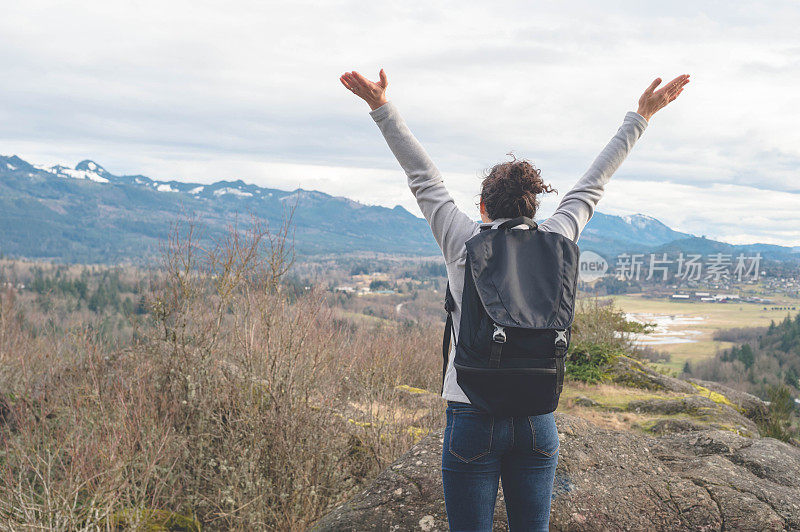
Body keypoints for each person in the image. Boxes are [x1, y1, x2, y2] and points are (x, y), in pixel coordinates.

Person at [340, 68, 689, 531]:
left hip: (471, 411)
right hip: (536, 416)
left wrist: (381, 108)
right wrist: (641, 115)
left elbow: (422, 177)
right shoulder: (559, 238)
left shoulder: (463, 241)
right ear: (535, 207)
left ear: (483, 208)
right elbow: (592, 184)